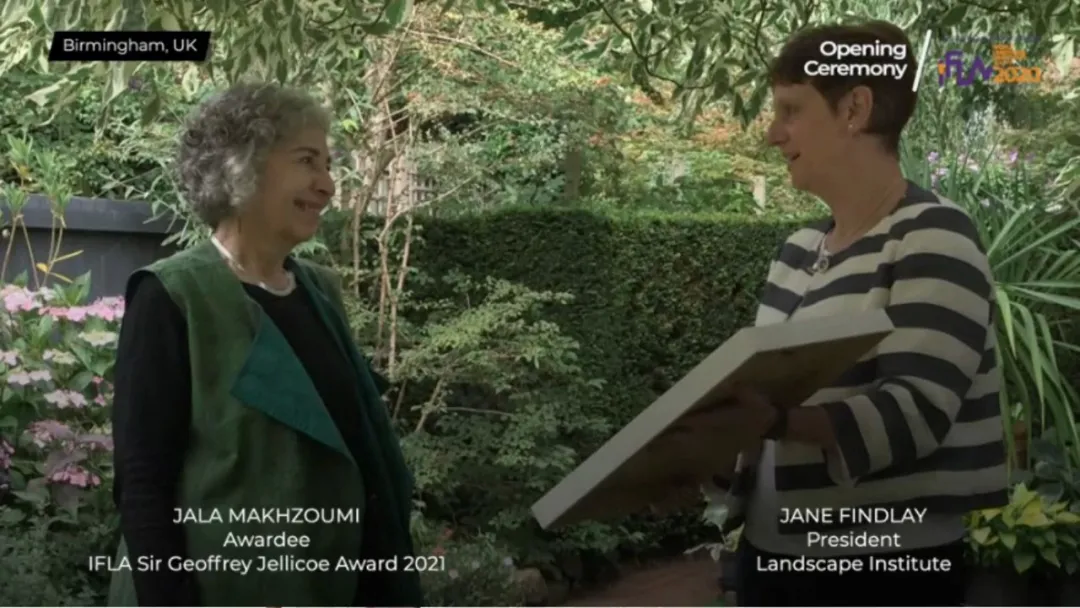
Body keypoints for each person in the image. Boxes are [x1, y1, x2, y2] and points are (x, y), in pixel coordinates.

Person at [700, 22, 1007, 606]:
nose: (772, 133)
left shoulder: (934, 235)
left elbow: (916, 412)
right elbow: (767, 410)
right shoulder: (796, 252)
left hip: (885, 568)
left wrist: (773, 420)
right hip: (770, 560)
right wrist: (690, 459)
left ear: (854, 110)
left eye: (791, 110)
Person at [107, 82, 424, 607]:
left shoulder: (321, 292)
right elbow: (143, 485)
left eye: (328, 165)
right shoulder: (172, 296)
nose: (328, 185)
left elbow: (359, 456)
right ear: (241, 165)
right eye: (307, 161)